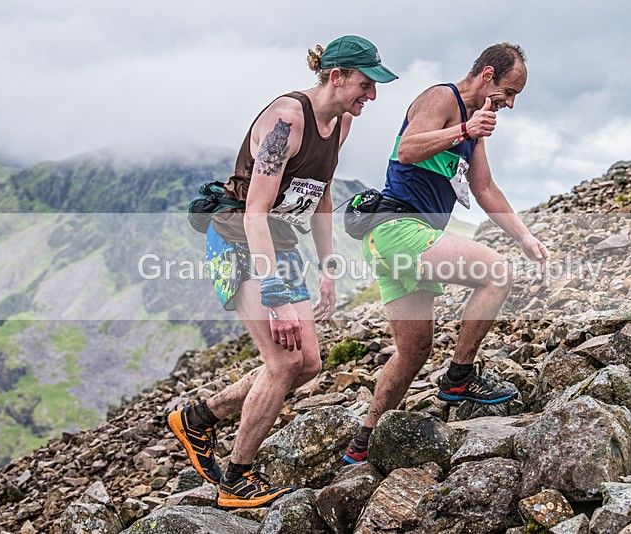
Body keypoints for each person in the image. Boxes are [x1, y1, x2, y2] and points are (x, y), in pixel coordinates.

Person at [167, 35, 397, 508]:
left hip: (281, 239)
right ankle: (237, 479)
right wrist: (273, 297)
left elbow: (322, 197)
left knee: (308, 364)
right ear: (336, 77)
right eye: (365, 83)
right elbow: (254, 210)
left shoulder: (340, 124)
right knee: (284, 362)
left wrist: (328, 268)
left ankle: (199, 417)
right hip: (237, 234)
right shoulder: (287, 119)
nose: (370, 96)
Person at [343, 43, 550, 463]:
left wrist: (525, 237)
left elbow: (485, 188)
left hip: (395, 243)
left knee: (414, 351)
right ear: (487, 74)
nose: (509, 104)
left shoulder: (476, 126)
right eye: (508, 92)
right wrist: (463, 131)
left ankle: (362, 445)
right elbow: (407, 148)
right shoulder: (442, 98)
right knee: (498, 273)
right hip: (398, 229)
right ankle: (459, 377)